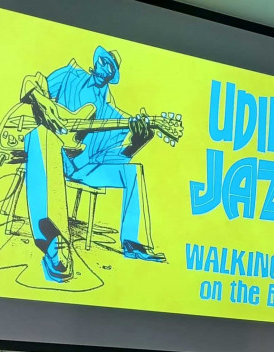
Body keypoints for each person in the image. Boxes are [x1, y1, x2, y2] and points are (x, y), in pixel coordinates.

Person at [20, 46, 165, 282]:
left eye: (111, 68)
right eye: (103, 62)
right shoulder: (69, 76)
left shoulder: (112, 114)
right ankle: (53, 241)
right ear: (96, 61)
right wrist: (43, 103)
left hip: (83, 167)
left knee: (132, 172)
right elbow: (30, 83)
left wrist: (139, 140)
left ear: (112, 76)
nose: (105, 69)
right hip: (50, 153)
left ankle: (132, 242)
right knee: (42, 134)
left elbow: (113, 157)